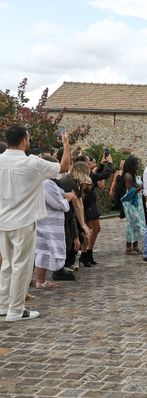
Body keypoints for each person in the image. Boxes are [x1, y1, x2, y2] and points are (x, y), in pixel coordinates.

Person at [0, 124, 70, 321]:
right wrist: (66, 145)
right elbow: (64, 167)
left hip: (3, 220)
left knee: (7, 264)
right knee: (22, 266)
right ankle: (16, 310)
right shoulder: (32, 163)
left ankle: (3, 306)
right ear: (24, 140)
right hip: (23, 221)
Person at [34, 155, 74, 289]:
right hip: (47, 223)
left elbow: (60, 194)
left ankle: (39, 280)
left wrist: (64, 195)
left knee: (43, 251)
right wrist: (67, 200)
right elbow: (57, 203)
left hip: (47, 222)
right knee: (43, 251)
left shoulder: (47, 182)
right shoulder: (46, 183)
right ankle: (40, 280)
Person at [120, 156, 146, 255]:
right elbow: (132, 191)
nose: (138, 165)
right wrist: (143, 185)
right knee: (132, 224)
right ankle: (128, 247)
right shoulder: (127, 176)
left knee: (136, 224)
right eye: (136, 163)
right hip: (130, 203)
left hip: (138, 202)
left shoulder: (134, 175)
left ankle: (135, 246)